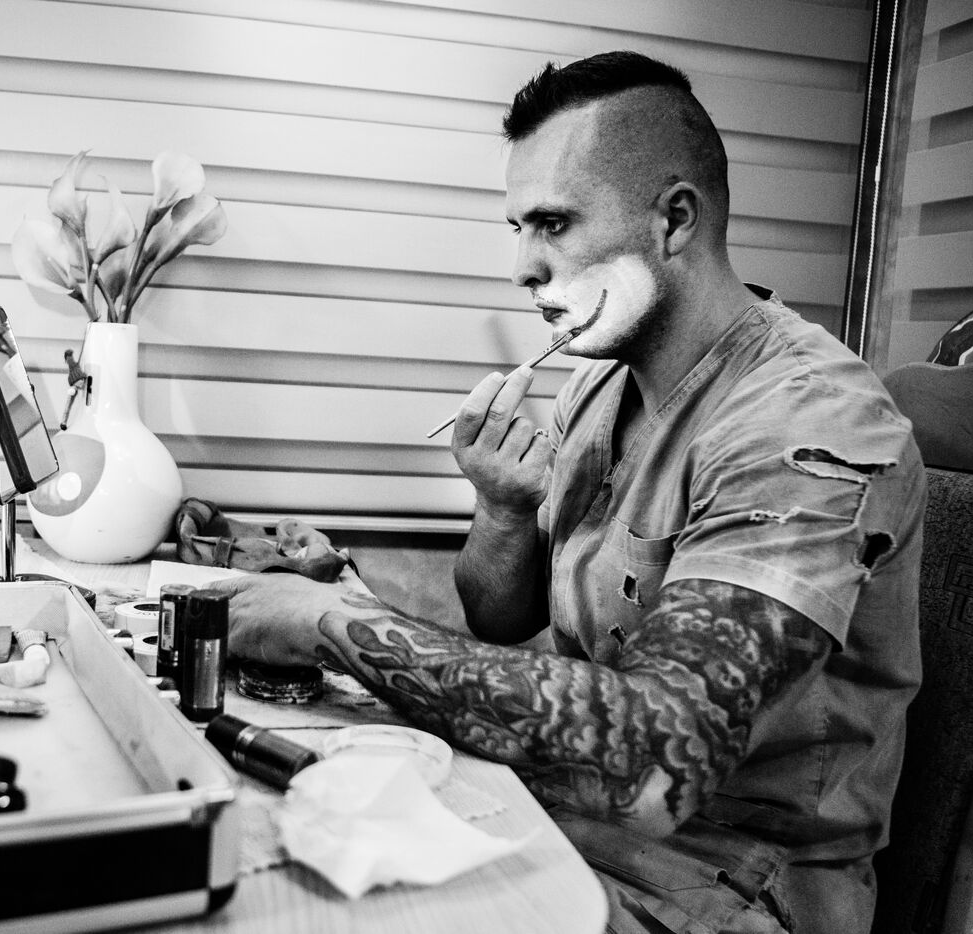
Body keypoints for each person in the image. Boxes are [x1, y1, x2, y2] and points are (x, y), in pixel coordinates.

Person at [209, 50, 925, 934]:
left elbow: (658, 760)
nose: (522, 266)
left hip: (726, 884)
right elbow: (500, 620)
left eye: (553, 224)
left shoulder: (807, 420)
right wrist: (504, 509)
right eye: (519, 228)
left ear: (673, 221)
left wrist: (328, 623)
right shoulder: (597, 386)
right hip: (566, 819)